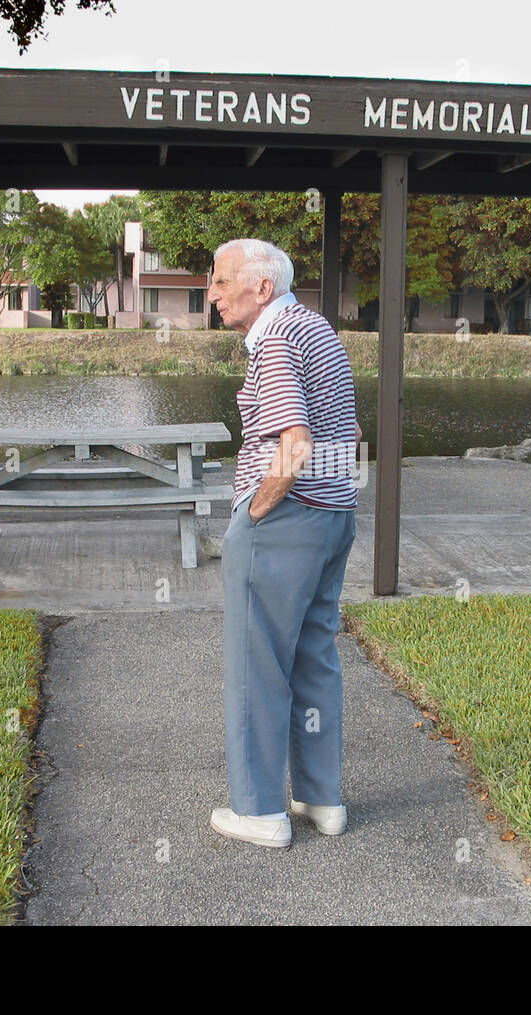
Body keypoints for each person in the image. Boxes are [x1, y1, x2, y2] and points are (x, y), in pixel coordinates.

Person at [207, 238, 360, 849]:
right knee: (313, 656)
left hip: (285, 521)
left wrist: (254, 512)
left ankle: (260, 813)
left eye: (220, 281)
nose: (212, 293)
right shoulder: (316, 327)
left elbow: (292, 441)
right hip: (333, 515)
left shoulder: (274, 339)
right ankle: (322, 800)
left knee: (256, 665)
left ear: (261, 287)